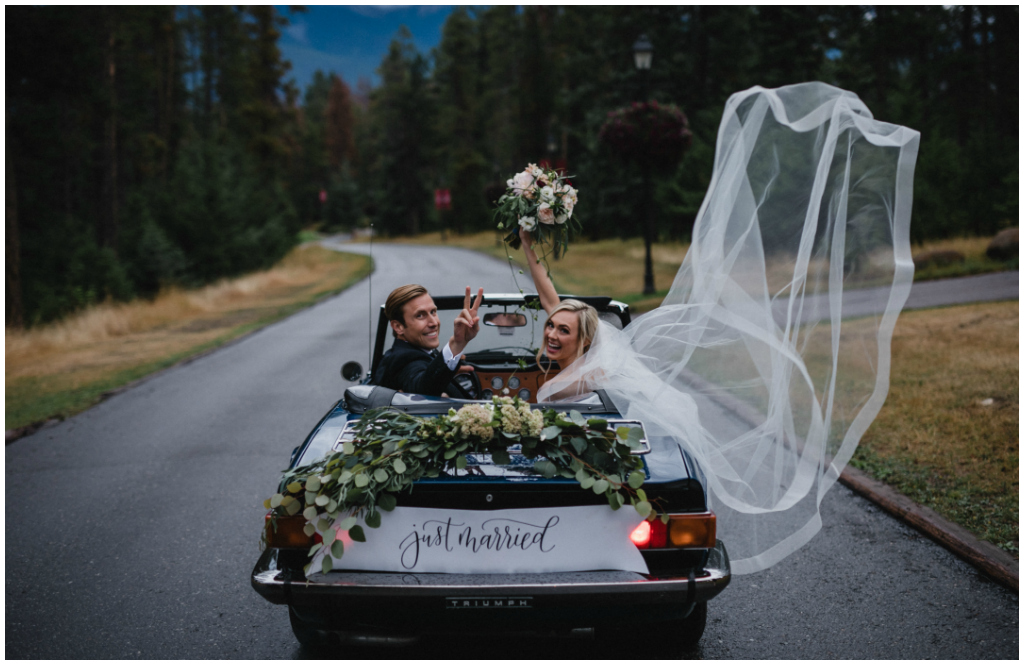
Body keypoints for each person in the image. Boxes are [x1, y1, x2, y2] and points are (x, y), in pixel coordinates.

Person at [518, 229, 600, 396]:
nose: (551, 335)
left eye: (564, 330)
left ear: (585, 340)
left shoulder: (553, 389)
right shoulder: (599, 373)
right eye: (550, 325)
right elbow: (549, 301)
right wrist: (527, 243)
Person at [374, 284, 483, 398]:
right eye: (420, 315)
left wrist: (447, 372)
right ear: (398, 327)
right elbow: (423, 388)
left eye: (433, 312)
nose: (434, 323)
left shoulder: (418, 352)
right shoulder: (402, 361)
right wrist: (457, 344)